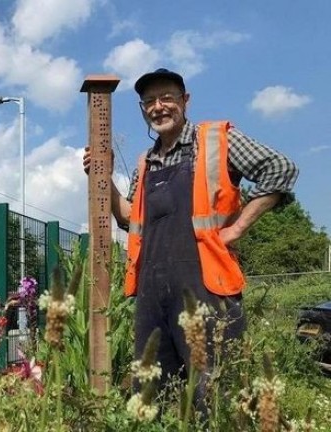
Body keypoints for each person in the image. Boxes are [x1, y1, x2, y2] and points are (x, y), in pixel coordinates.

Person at [82, 68, 298, 409]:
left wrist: (237, 228)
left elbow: (281, 169)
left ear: (185, 100)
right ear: (142, 109)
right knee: (153, 396)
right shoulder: (146, 163)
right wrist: (102, 178)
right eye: (149, 101)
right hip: (152, 296)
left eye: (167, 97)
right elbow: (127, 218)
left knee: (215, 397)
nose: (158, 107)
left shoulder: (215, 141)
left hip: (208, 288)